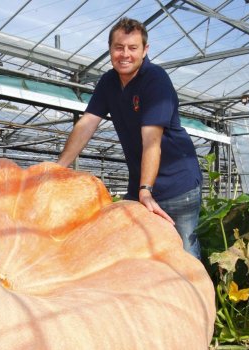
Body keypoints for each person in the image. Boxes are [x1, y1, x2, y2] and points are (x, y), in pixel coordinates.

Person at [57, 17, 202, 259]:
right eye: (119, 47)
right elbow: (87, 123)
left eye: (133, 48)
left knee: (184, 253)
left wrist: (146, 190)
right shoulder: (108, 82)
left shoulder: (155, 80)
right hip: (139, 186)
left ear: (145, 50)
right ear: (110, 49)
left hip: (177, 186)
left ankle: (201, 297)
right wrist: (59, 166)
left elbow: (151, 141)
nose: (125, 54)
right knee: (132, 251)